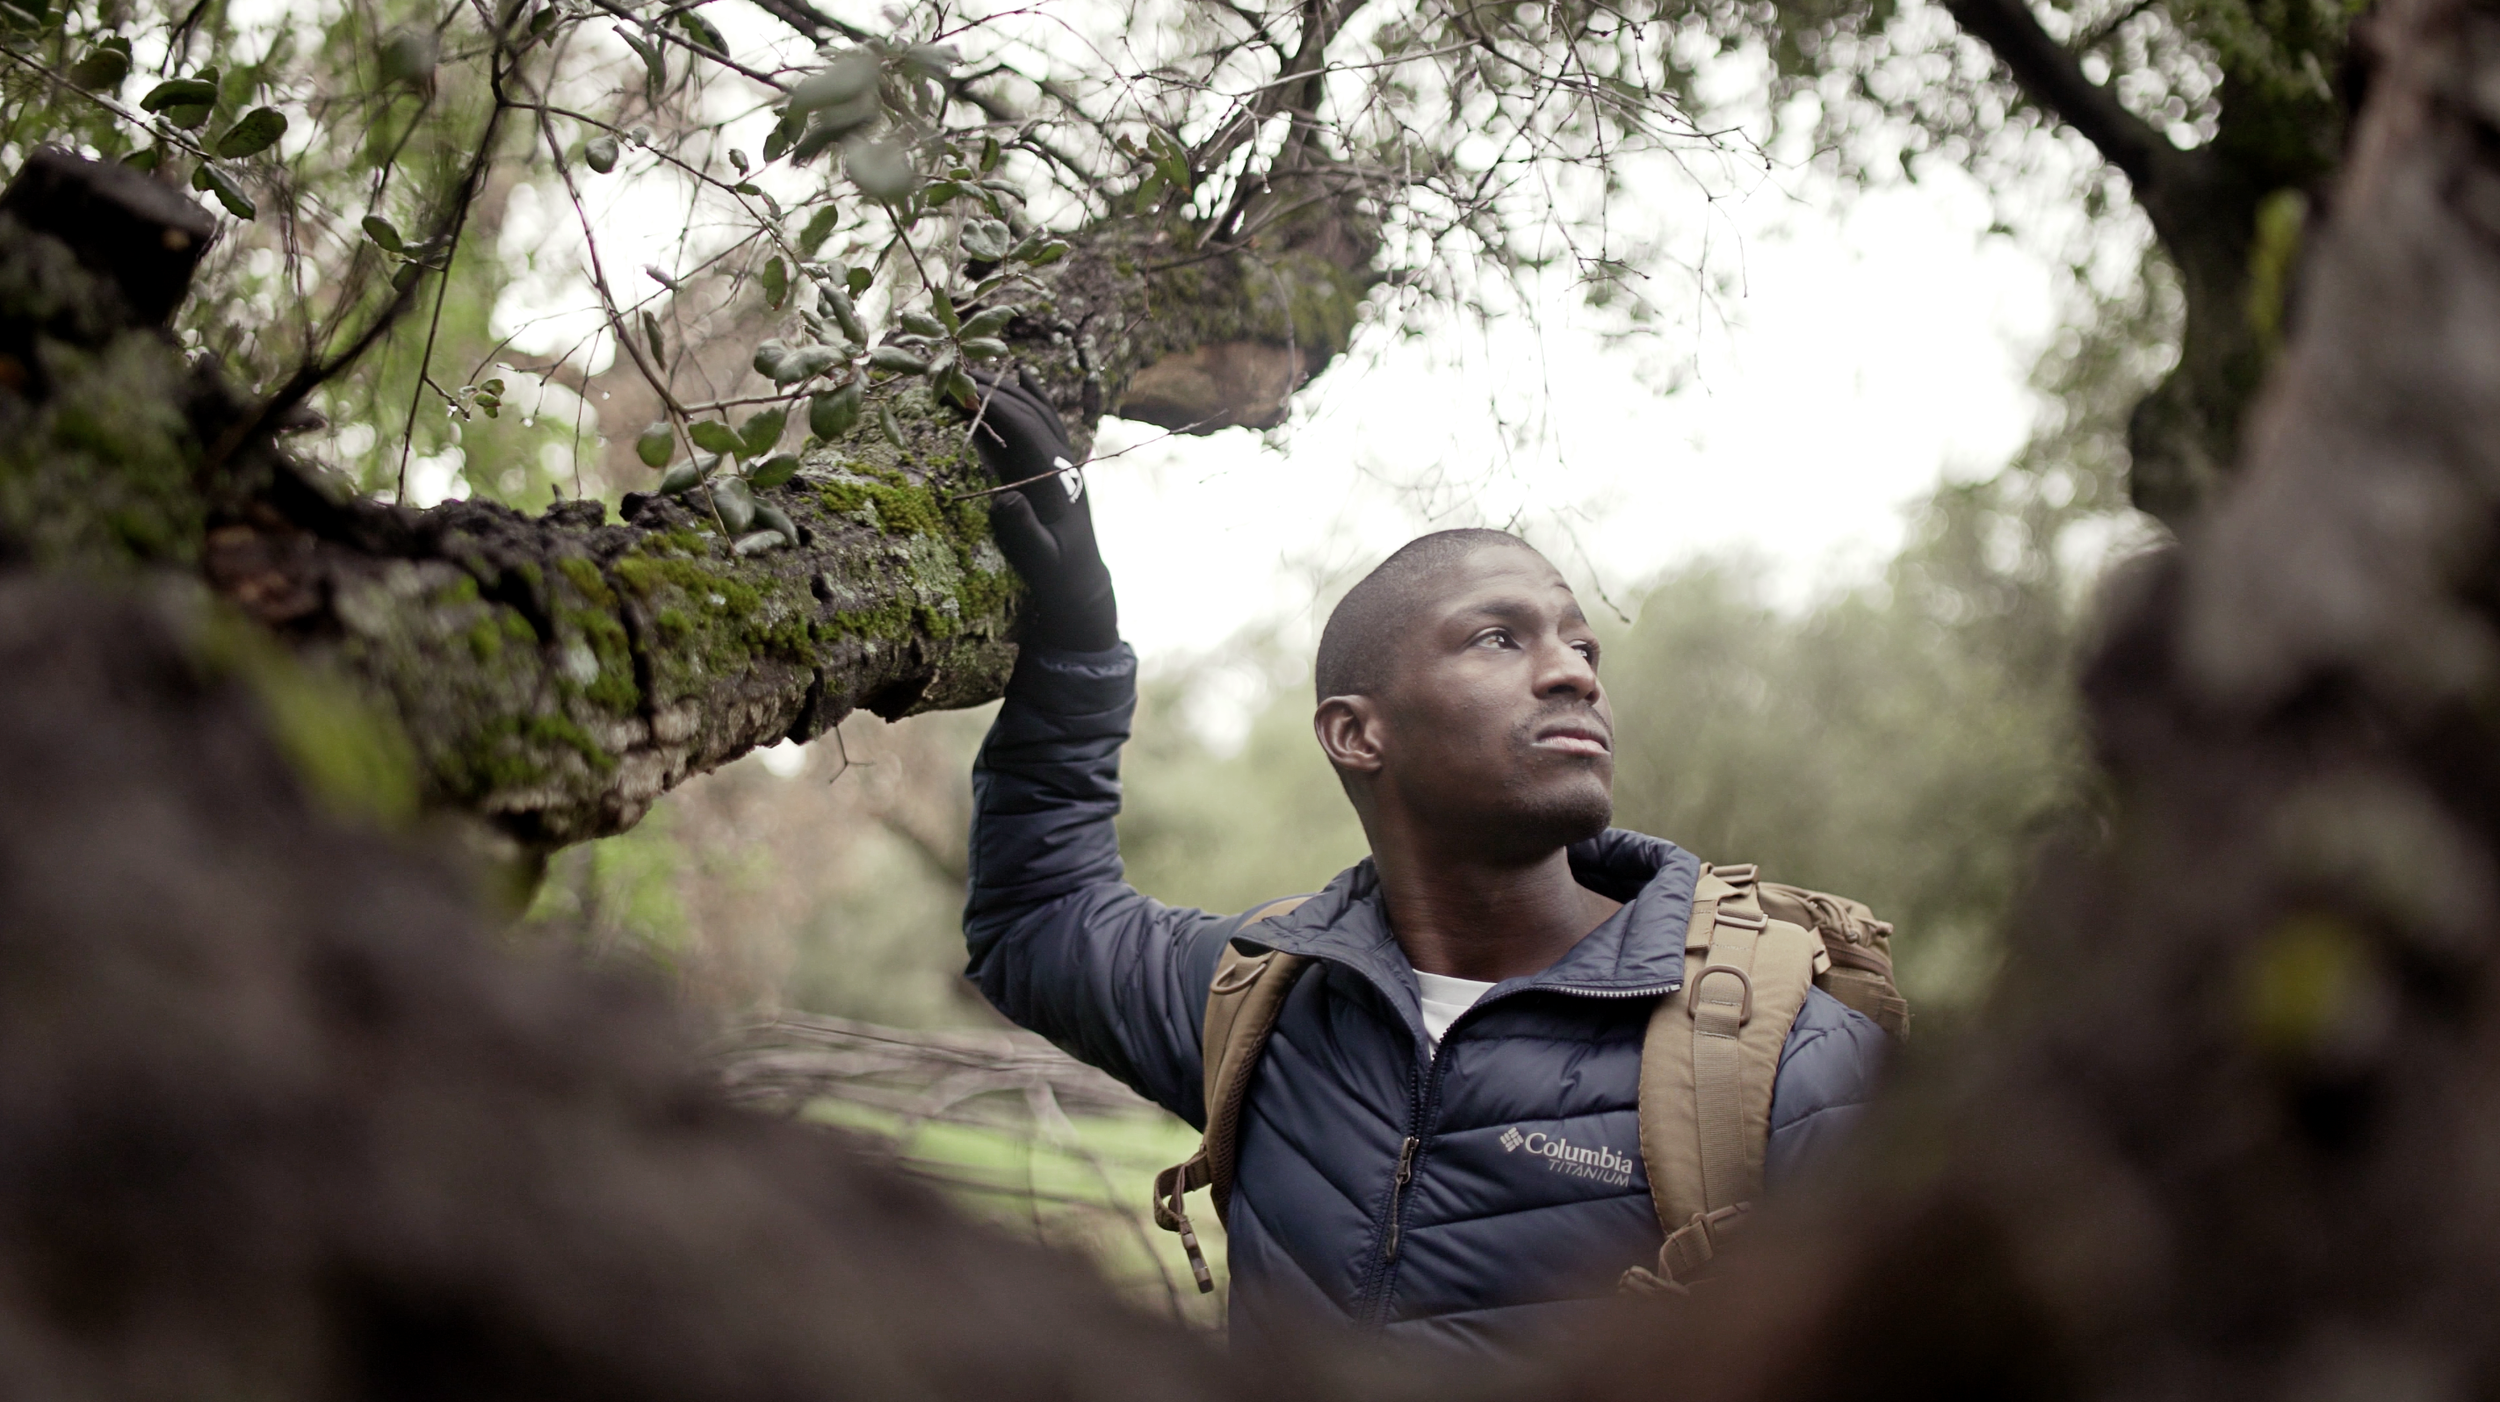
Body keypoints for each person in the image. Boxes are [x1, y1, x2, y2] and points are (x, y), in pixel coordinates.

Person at [958, 372, 1888, 1356]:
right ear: (1356, 733)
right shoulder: (1267, 1000)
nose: (1574, 669)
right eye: (1499, 637)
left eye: (1581, 644)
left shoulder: (1782, 1062)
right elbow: (1038, 920)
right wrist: (1075, 646)